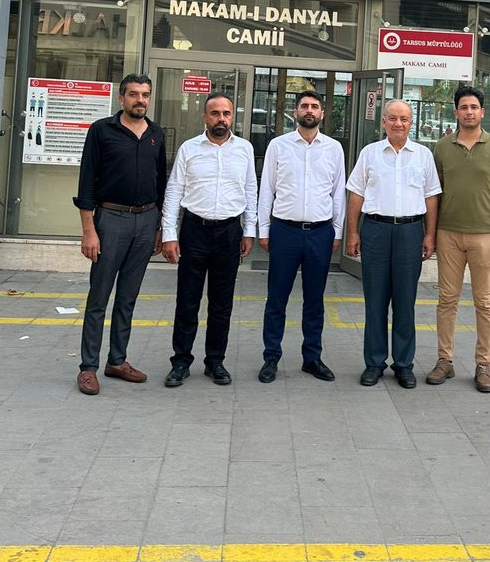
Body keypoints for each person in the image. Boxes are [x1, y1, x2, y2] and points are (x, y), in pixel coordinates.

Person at [73, 73, 167, 396]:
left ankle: (117, 360)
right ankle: (88, 367)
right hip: (110, 220)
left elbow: (161, 183)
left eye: (145, 95)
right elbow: (86, 182)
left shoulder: (156, 133)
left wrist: (159, 227)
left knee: (128, 296)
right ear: (121, 98)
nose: (140, 100)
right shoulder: (102, 130)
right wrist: (89, 231)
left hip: (146, 220)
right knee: (99, 296)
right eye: (134, 94)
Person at [160, 93, 257, 388]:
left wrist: (249, 230)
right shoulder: (189, 148)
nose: (221, 119)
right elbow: (174, 191)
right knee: (187, 301)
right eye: (215, 113)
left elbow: (250, 189)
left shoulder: (244, 149)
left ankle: (215, 361)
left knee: (221, 303)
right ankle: (181, 361)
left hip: (229, 233)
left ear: (232, 117)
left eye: (226, 113)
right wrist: (169, 234)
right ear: (205, 117)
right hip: (194, 231)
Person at [345, 100, 440, 388]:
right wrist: (353, 232)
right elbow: (356, 194)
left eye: (404, 119)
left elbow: (431, 196)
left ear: (411, 123)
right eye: (393, 118)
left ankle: (403, 364)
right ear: (383, 122)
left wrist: (429, 234)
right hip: (375, 230)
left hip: (410, 232)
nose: (398, 123)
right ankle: (374, 363)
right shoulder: (370, 153)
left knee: (405, 302)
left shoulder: (423, 155)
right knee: (375, 300)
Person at [428, 85, 490, 394]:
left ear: (482, 112)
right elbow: (434, 193)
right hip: (448, 234)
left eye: (473, 107)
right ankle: (444, 360)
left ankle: (483, 365)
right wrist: (430, 233)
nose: (468, 112)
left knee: (485, 302)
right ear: (456, 112)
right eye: (463, 107)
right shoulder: (442, 147)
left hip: (485, 235)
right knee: (447, 300)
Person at [257, 90, 345, 383]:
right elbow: (267, 189)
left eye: (314, 106)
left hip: (320, 232)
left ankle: (312, 358)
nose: (309, 110)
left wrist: (337, 231)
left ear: (322, 113)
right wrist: (263, 229)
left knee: (314, 300)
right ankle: (271, 357)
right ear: (295, 112)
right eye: (304, 106)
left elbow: (338, 193)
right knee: (276, 298)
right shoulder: (278, 146)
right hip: (285, 231)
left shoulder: (333, 148)